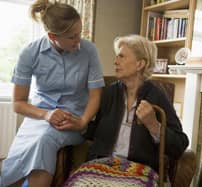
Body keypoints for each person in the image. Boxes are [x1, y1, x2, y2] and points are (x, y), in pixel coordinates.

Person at [0, 0, 104, 186]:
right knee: (18, 158)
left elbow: (95, 95)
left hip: (74, 121)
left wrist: (82, 121)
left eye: (79, 33)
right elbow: (18, 103)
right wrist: (46, 115)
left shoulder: (89, 51)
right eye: (72, 37)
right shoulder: (29, 53)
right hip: (38, 119)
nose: (78, 40)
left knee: (44, 140)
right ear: (52, 36)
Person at [62, 35, 189, 187]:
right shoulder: (109, 93)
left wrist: (153, 125)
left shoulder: (157, 95)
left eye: (121, 56)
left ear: (140, 64)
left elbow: (180, 145)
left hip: (139, 170)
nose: (115, 61)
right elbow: (97, 131)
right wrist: (80, 125)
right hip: (102, 165)